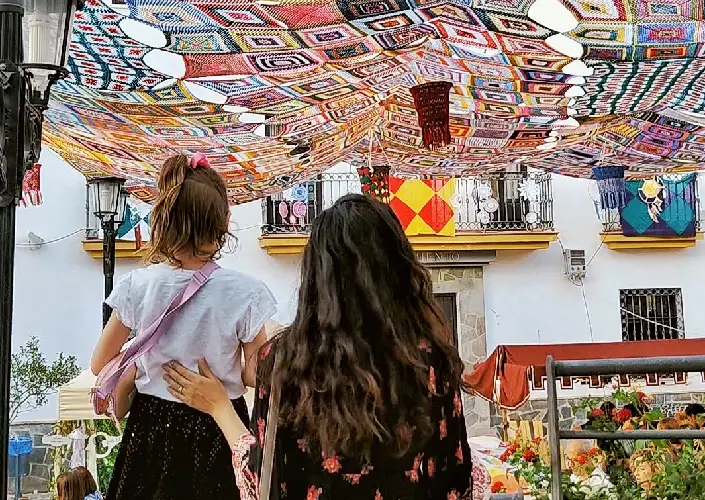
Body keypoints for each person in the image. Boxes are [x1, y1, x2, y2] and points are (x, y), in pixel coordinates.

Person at [164, 193, 473, 499]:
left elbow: (264, 480)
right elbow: (456, 482)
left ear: (316, 275)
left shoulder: (284, 361)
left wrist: (220, 407)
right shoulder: (430, 362)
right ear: (398, 268)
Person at [91, 153, 277, 500]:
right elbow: (256, 373)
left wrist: (145, 368)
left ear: (165, 220)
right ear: (225, 221)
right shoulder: (247, 293)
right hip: (219, 426)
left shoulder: (137, 286)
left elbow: (100, 363)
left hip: (151, 427)